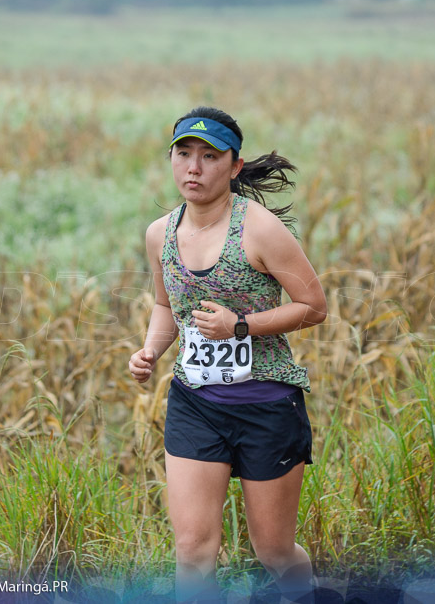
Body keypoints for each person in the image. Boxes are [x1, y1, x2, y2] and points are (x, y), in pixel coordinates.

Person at [128, 107, 327, 603]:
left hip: (266, 405)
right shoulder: (160, 234)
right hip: (195, 404)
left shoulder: (258, 230)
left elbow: (314, 306)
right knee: (193, 549)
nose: (193, 167)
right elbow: (163, 305)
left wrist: (239, 325)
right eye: (183, 154)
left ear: (235, 167)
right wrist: (150, 352)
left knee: (274, 552)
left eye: (209, 157)